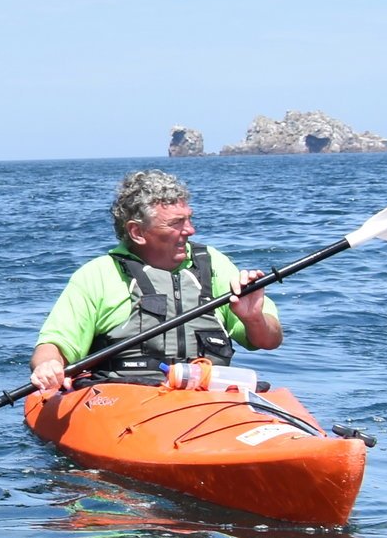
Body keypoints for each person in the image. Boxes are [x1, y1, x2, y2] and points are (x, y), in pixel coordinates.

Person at [29, 169, 281, 396]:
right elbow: (55, 343)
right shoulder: (99, 274)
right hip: (127, 400)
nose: (190, 230)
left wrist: (253, 318)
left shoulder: (214, 264)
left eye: (189, 219)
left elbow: (268, 341)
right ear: (137, 232)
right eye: (176, 223)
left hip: (208, 397)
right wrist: (48, 365)